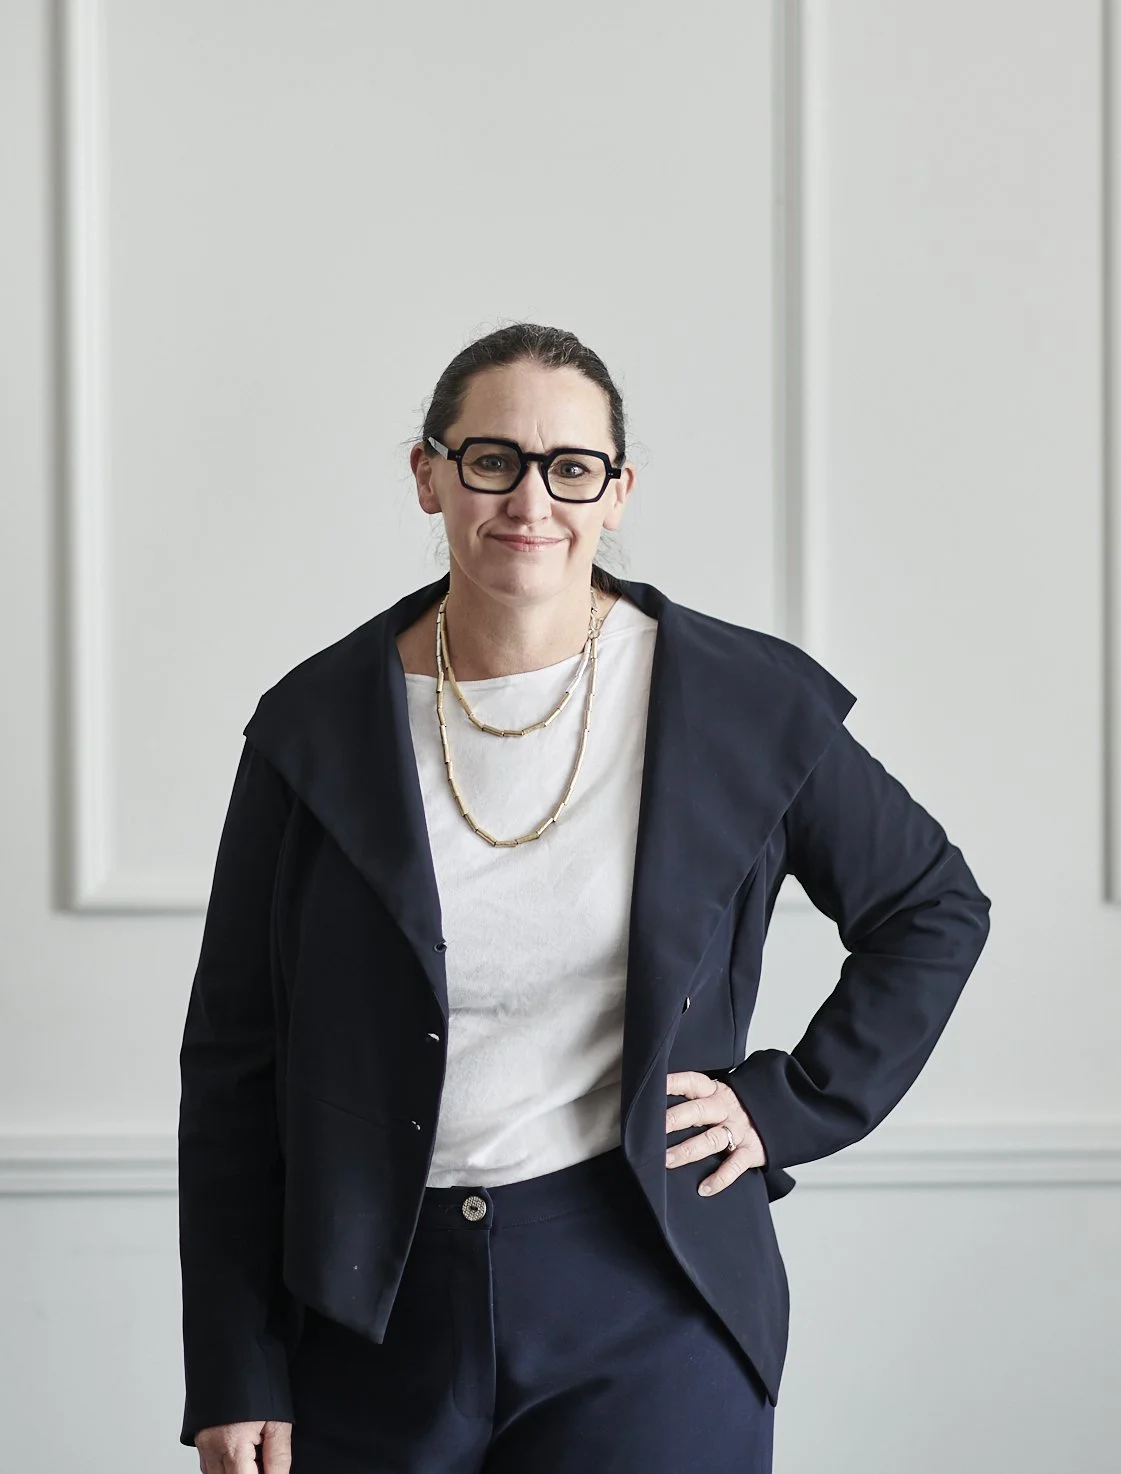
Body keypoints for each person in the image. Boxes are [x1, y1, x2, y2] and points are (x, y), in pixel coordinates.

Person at [178, 322, 992, 1472]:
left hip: (647, 1296)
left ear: (616, 493)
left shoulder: (736, 702)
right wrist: (233, 1362)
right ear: (427, 473)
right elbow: (233, 1060)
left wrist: (787, 1103)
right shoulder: (309, 727)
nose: (530, 500)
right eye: (490, 458)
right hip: (366, 1317)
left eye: (571, 468)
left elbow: (930, 905)